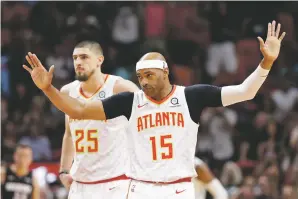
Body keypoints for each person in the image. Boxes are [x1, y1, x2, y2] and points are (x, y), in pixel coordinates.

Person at [23, 21, 285, 199]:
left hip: (180, 189)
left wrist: (267, 61)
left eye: (149, 75)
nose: (144, 81)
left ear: (165, 72)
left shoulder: (192, 96)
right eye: (140, 76)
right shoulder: (130, 101)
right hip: (140, 189)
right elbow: (79, 110)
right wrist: (49, 90)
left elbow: (245, 91)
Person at [55, 41, 139, 199]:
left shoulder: (120, 87)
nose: (78, 62)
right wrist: (64, 171)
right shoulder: (67, 91)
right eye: (75, 58)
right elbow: (69, 134)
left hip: (114, 182)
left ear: (99, 60)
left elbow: (148, 119)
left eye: (84, 57)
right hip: (80, 184)